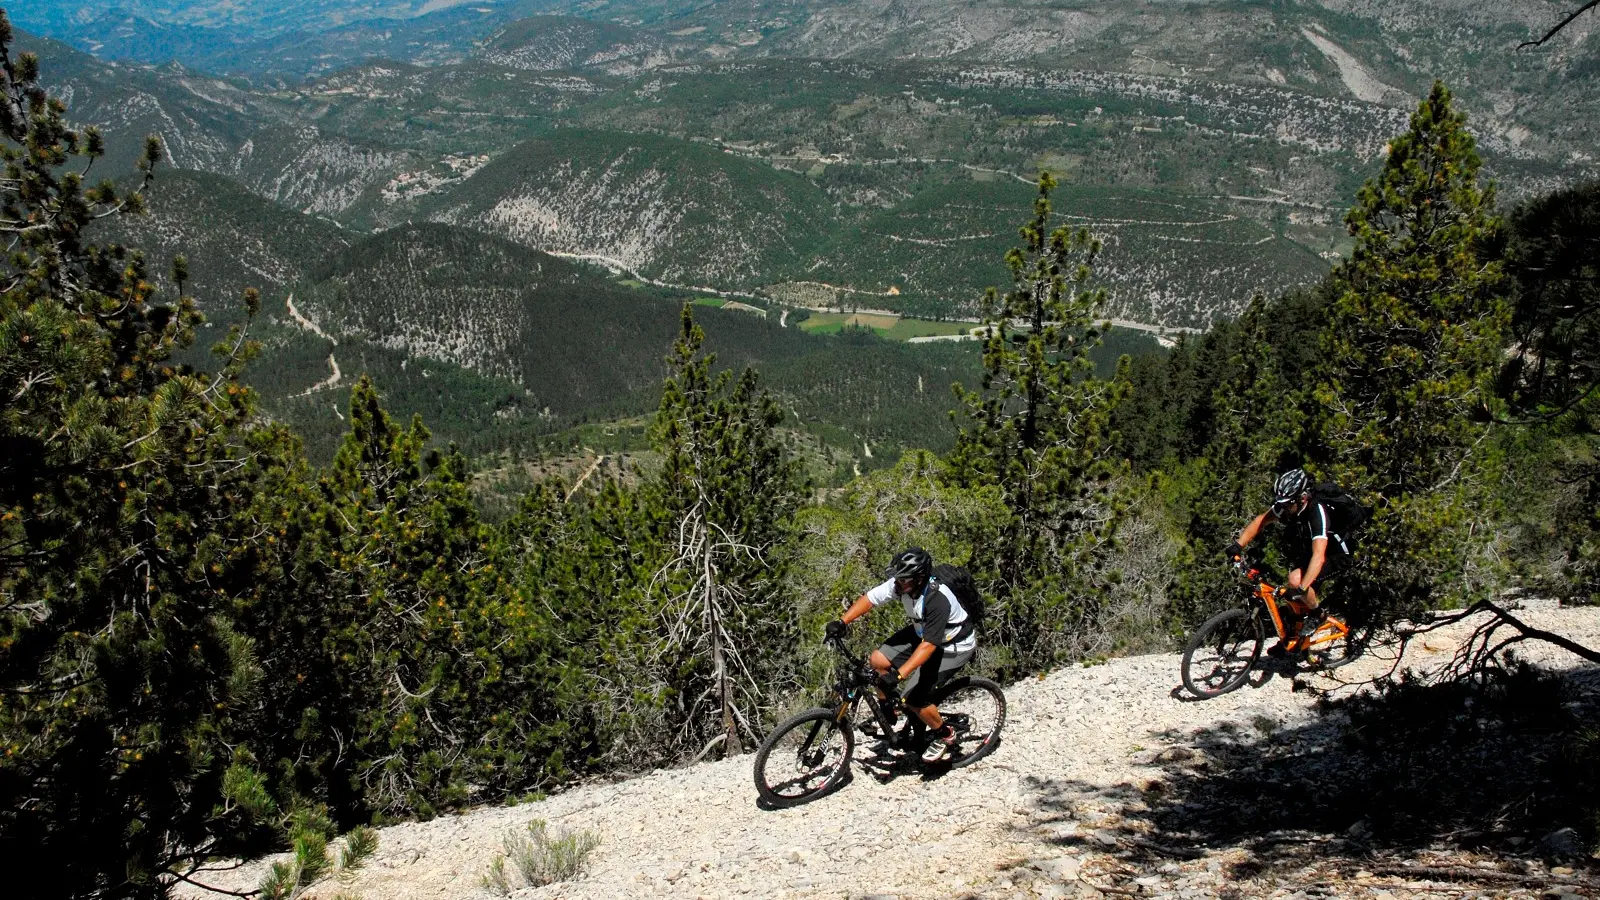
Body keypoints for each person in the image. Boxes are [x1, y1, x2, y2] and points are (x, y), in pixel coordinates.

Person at [824, 547, 977, 757]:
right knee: (877, 660)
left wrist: (899, 675)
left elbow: (929, 646)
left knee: (913, 698)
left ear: (918, 579)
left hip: (952, 645)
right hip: (924, 631)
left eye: (903, 579)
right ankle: (890, 710)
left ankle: (945, 735)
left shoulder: (936, 599)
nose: (897, 582)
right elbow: (870, 599)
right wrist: (843, 621)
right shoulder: (902, 585)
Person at [1227, 468, 1355, 656]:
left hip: (1337, 553)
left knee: (1295, 582)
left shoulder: (1316, 511)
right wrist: (1238, 545)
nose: (1282, 508)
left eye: (1286, 504)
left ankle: (1318, 615)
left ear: (1301, 498)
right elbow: (1261, 520)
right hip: (1314, 551)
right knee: (1289, 597)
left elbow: (1319, 556)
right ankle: (1292, 638)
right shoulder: (1290, 503)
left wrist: (1302, 587)